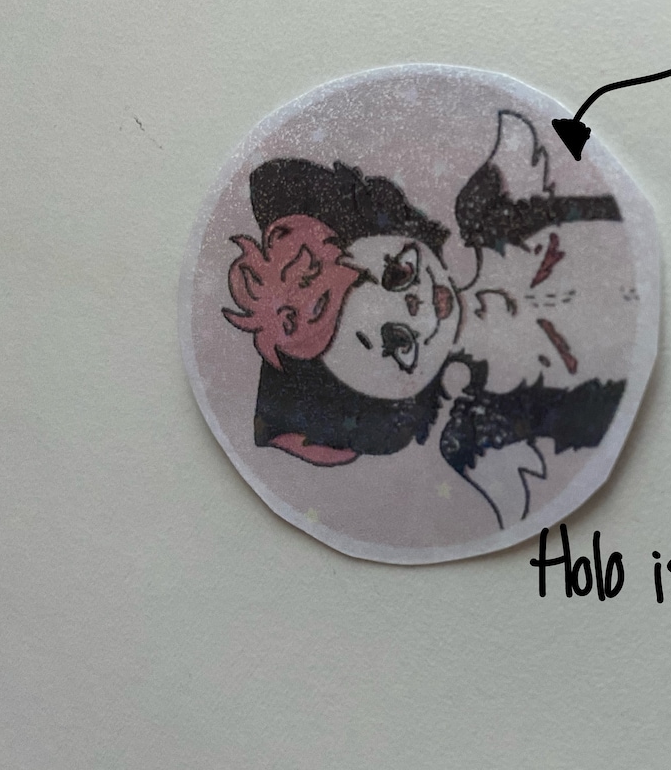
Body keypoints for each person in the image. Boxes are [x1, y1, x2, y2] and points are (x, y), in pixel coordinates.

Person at [223, 111, 628, 528]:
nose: (415, 306)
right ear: (390, 405)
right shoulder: (478, 434)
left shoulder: (488, 208)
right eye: (400, 343)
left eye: (399, 274)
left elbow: (526, 144)